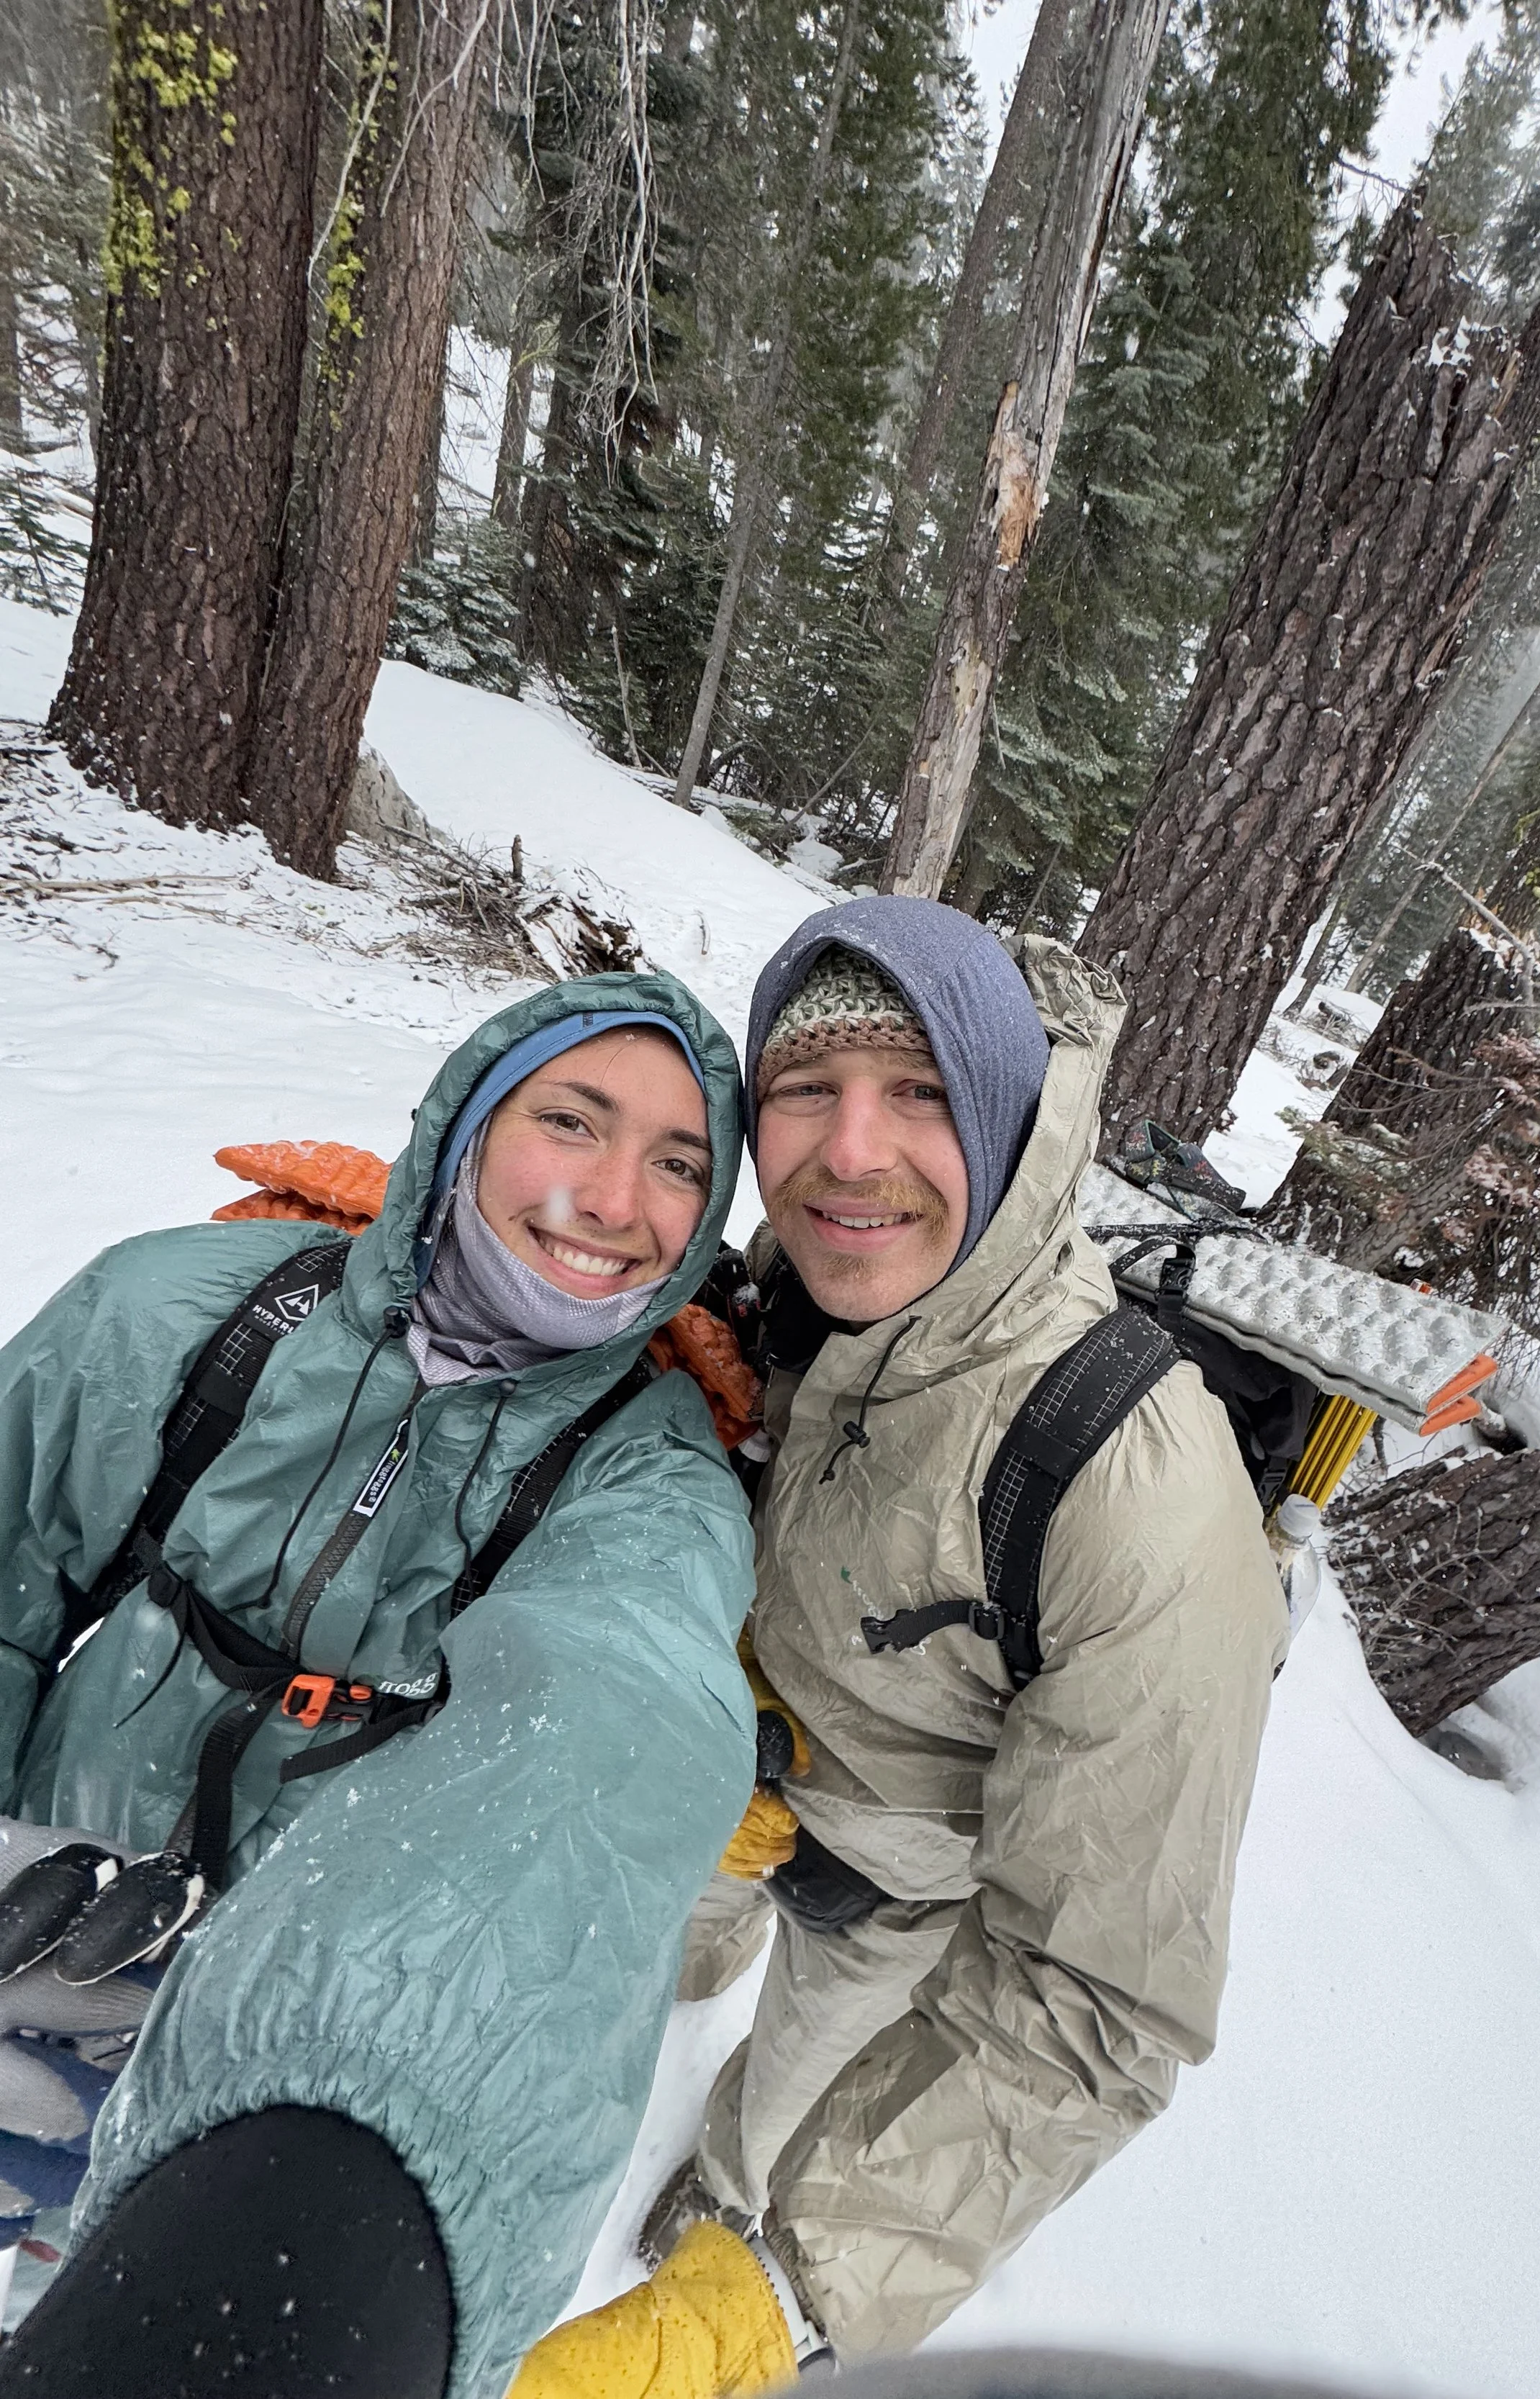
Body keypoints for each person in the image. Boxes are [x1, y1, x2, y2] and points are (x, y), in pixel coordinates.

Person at [515, 900, 1288, 2398]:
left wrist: (772, 2296)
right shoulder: (796, 1280)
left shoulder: (1137, 1497)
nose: (850, 1150)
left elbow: (1091, 2000)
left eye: (920, 1089)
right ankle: (692, 1957)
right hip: (721, 1773)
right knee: (668, 1941)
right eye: (807, 1088)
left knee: (793, 2096)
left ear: (999, 1114)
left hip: (890, 1897)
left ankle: (727, 2207)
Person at [0, 972, 759, 2399]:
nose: (612, 1197)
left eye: (679, 1165)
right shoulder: (192, 1311)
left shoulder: (645, 1482)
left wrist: (303, 2143)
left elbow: (593, 1749)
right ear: (462, 1124)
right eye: (572, 1120)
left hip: (306, 2014)